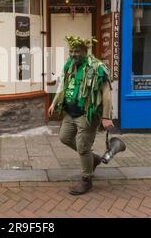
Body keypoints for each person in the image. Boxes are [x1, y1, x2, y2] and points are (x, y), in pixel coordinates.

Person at [48, 36, 114, 195]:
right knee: (64, 137)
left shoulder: (97, 67)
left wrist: (106, 117)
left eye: (77, 51)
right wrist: (54, 102)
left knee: (83, 146)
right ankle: (94, 159)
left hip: (87, 114)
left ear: (85, 51)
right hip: (71, 113)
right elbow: (64, 85)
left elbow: (106, 93)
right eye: (71, 51)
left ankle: (86, 180)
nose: (73, 54)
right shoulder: (70, 65)